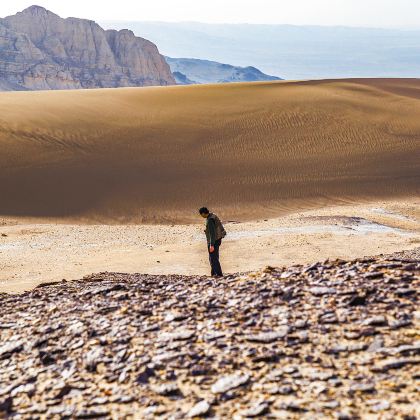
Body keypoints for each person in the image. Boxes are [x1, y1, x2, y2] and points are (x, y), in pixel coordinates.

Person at [199, 207, 226, 277]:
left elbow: (212, 233)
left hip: (214, 241)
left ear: (203, 213)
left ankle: (219, 274)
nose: (201, 216)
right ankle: (213, 274)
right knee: (214, 257)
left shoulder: (210, 220)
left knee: (213, 259)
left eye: (201, 215)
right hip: (218, 239)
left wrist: (211, 245)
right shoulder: (213, 215)